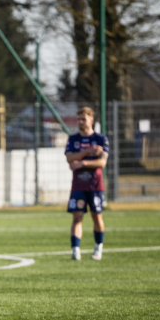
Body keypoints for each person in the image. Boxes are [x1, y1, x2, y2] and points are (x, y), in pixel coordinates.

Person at [65, 107, 109, 261]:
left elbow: (102, 162)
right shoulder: (73, 139)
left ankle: (98, 248)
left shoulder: (101, 139)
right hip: (78, 186)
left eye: (83, 119)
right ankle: (75, 250)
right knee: (77, 217)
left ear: (91, 120)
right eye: (78, 119)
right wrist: (87, 151)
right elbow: (70, 159)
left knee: (96, 216)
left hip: (95, 185)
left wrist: (82, 162)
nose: (80, 122)